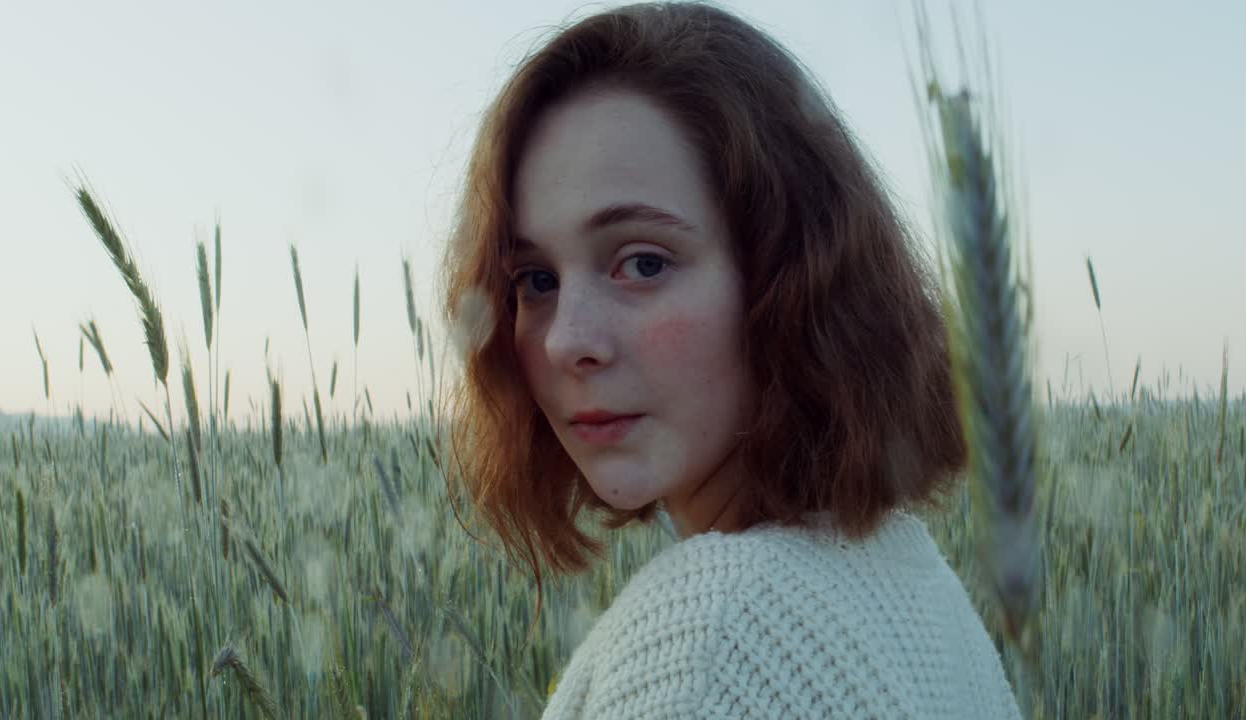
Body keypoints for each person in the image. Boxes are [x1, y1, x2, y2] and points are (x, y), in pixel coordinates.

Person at [434, 1, 1023, 717]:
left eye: (643, 263)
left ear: (789, 277)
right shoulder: (906, 574)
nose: (564, 340)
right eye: (536, 281)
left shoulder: (711, 639)